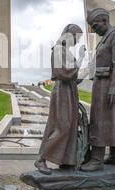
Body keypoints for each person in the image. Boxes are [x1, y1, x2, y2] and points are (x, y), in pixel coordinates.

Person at [80, 8, 115, 172]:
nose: (94, 30)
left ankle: (97, 159)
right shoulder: (105, 39)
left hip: (108, 85)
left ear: (104, 21)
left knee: (102, 120)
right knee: (111, 120)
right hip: (101, 84)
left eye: (95, 25)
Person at [34, 24, 86, 175]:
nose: (77, 41)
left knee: (70, 125)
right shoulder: (58, 49)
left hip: (70, 90)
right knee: (62, 126)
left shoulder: (66, 52)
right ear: (69, 35)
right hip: (62, 90)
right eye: (76, 37)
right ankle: (41, 159)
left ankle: (67, 161)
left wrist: (88, 69)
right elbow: (63, 73)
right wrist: (81, 58)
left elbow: (74, 78)